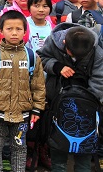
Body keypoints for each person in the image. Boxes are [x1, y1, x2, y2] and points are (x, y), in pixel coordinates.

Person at [0, 10, 46, 172]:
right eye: (9, 29)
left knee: (19, 146)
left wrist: (37, 108)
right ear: (1, 31)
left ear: (25, 31)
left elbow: (38, 85)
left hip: (22, 114)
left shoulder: (32, 57)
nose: (14, 33)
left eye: (18, 29)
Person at [39, 24, 103, 172]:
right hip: (58, 103)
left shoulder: (97, 51)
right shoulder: (53, 41)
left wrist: (86, 104)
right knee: (58, 147)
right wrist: (57, 66)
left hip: (87, 107)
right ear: (64, 44)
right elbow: (41, 58)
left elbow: (99, 80)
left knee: (84, 150)